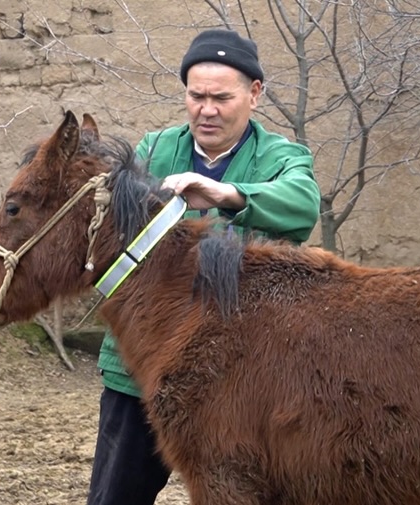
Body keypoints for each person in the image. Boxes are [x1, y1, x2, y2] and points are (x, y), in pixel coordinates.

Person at [87, 29, 321, 505]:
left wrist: (226, 194)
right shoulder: (154, 151)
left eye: (221, 97)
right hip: (142, 370)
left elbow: (302, 204)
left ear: (254, 94)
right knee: (115, 496)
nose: (206, 110)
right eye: (196, 96)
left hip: (241, 373)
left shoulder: (281, 157)